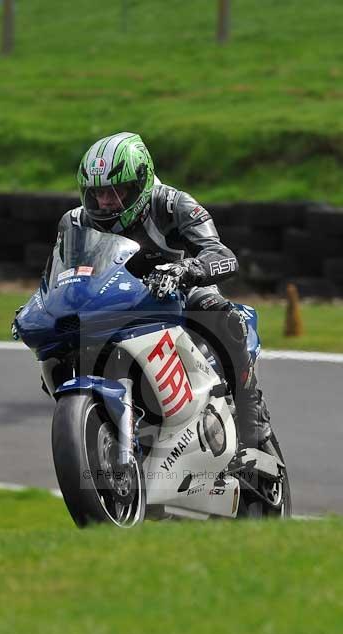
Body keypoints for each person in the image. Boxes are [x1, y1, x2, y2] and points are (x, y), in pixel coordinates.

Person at [60, 131, 270, 447]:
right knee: (60, 336)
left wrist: (187, 269)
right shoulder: (74, 222)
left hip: (178, 294)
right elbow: (64, 275)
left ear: (141, 182)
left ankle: (251, 418)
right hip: (114, 301)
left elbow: (223, 255)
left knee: (220, 314)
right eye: (97, 194)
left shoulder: (173, 205)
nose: (105, 202)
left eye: (116, 192)